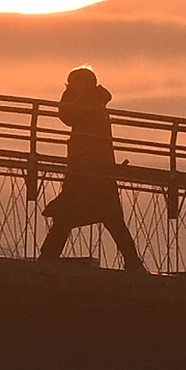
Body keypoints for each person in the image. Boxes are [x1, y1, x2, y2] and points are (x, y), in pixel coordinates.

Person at [38, 66, 144, 271]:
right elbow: (69, 115)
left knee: (83, 216)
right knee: (108, 218)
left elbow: (69, 115)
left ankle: (47, 258)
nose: (73, 88)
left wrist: (69, 97)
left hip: (90, 171)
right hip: (93, 171)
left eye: (77, 84)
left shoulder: (90, 106)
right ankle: (133, 262)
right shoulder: (94, 103)